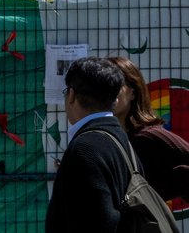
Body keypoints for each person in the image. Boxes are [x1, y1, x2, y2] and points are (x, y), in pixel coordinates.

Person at [47, 56, 134, 232]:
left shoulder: (85, 148)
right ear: (115, 100)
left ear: (71, 95)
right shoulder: (122, 139)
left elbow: (101, 220)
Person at [111, 56, 189, 201]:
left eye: (114, 84)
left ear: (133, 92)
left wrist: (149, 197)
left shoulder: (148, 137)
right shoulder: (108, 139)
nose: (106, 92)